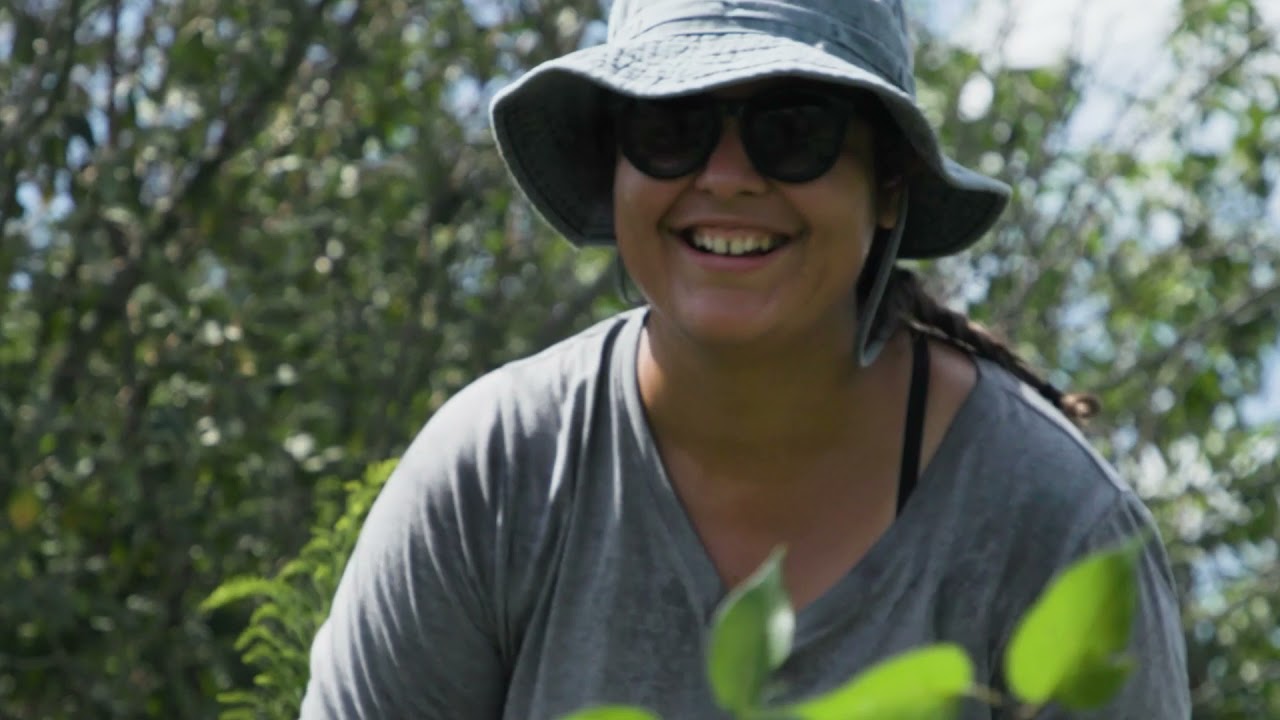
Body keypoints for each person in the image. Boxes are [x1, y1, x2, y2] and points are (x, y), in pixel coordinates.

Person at [300, 0, 1191, 717]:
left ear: (889, 184)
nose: (726, 176)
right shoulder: (498, 473)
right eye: (671, 125)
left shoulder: (1051, 525)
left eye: (792, 129)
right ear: (615, 167)